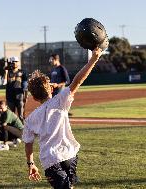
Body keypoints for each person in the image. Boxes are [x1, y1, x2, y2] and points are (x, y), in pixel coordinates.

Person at [22, 47, 103, 189]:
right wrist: (93, 59)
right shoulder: (60, 101)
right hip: (70, 155)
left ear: (33, 97)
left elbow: (28, 143)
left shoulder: (30, 119)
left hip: (50, 160)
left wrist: (31, 164)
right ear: (51, 89)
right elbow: (77, 81)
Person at [3, 56, 28, 123]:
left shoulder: (23, 72)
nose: (14, 63)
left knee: (21, 116)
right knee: (11, 116)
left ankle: (24, 131)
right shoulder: (7, 72)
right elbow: (4, 83)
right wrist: (6, 72)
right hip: (10, 97)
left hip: (19, 97)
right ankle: (13, 132)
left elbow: (25, 86)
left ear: (18, 62)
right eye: (13, 62)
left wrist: (26, 96)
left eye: (16, 62)